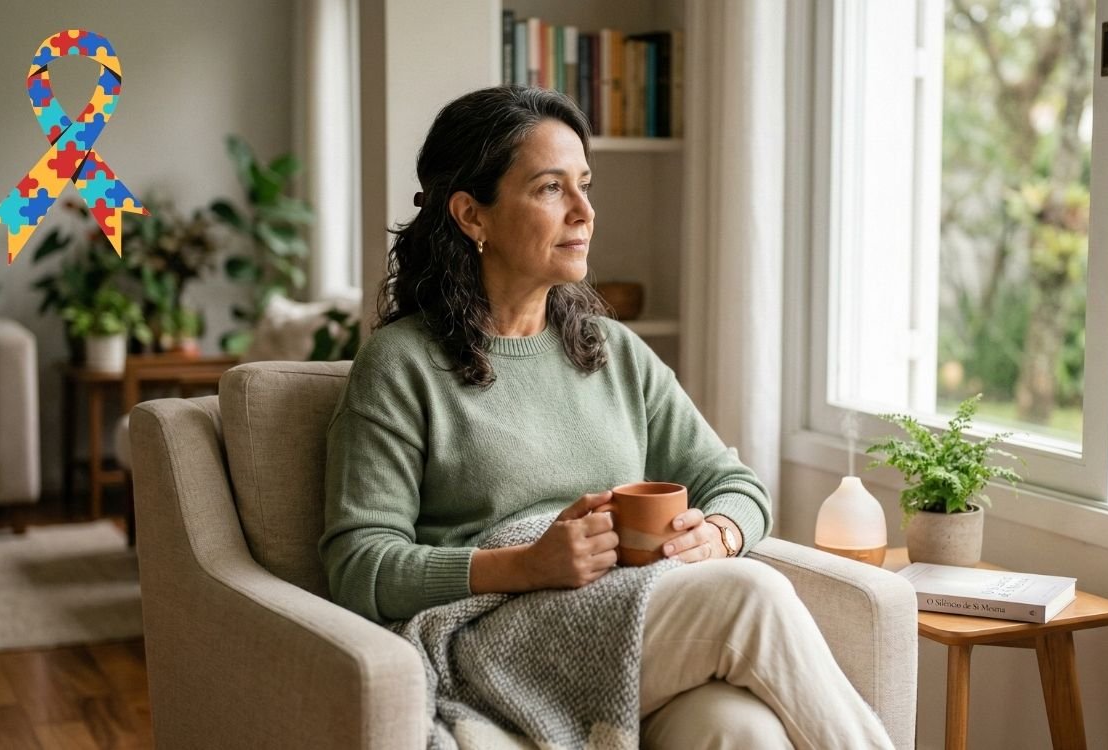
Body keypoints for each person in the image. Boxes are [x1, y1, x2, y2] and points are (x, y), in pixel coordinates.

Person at [319, 85, 894, 749]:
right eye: (549, 189)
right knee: (750, 597)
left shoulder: (612, 352)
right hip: (491, 638)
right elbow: (358, 565)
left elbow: (735, 484)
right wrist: (525, 564)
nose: (585, 211)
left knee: (741, 730)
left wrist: (721, 536)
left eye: (585, 185)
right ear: (472, 215)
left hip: (622, 623)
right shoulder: (400, 365)